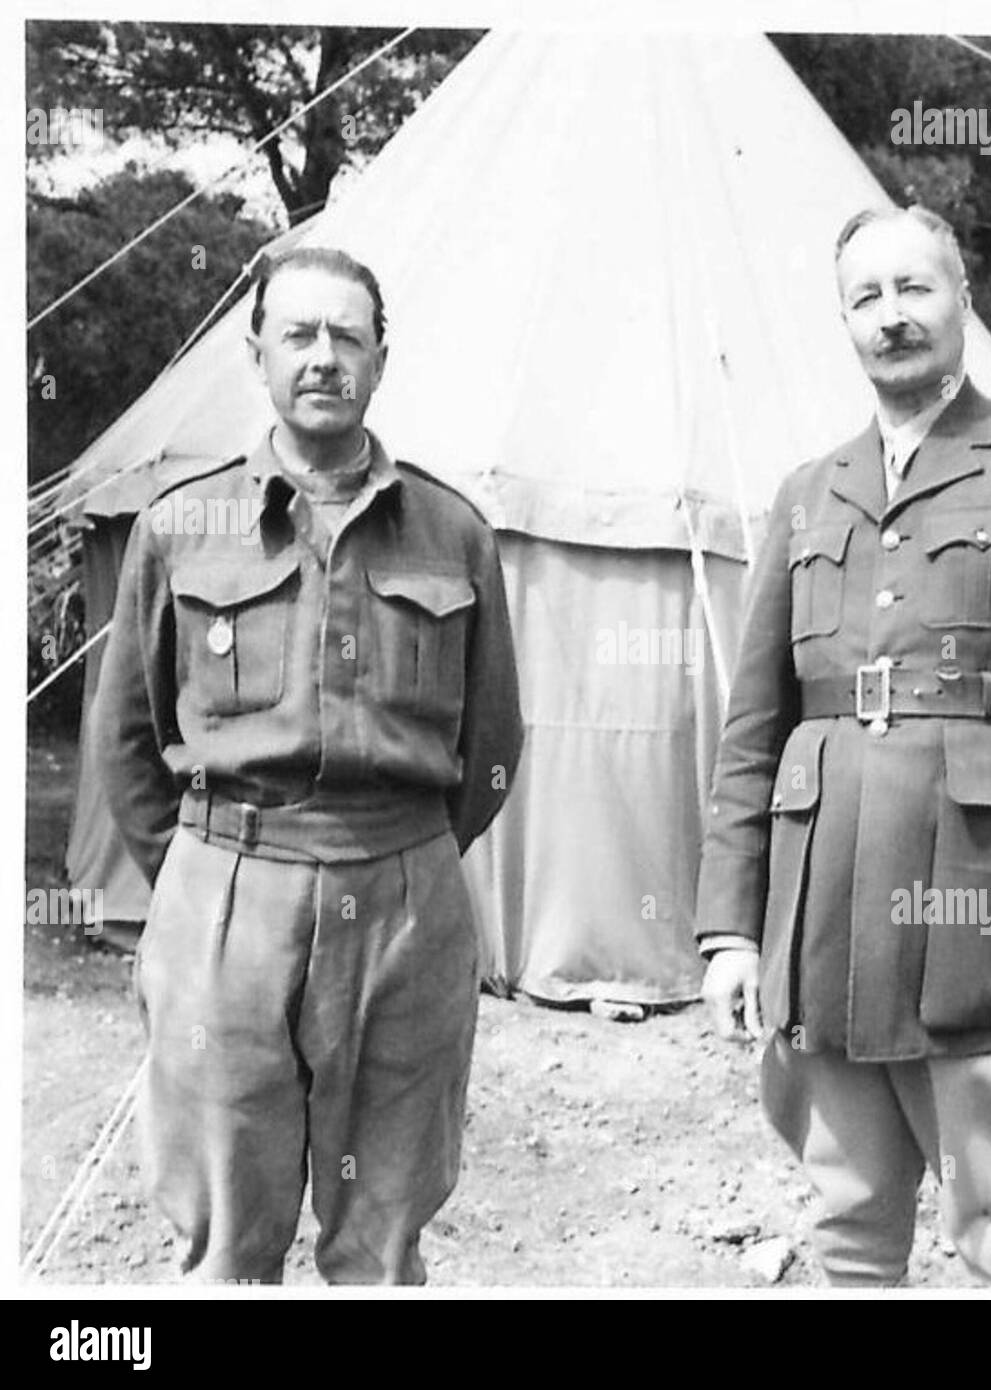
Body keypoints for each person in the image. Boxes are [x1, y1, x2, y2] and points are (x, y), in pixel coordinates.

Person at [695, 206, 991, 1287]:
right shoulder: (808, 494)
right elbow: (753, 731)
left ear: (964, 302)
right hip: (825, 929)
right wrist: (729, 926)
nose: (892, 317)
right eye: (866, 297)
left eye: (916, 289)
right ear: (844, 322)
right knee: (847, 1227)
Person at [93, 246, 523, 1284]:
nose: (323, 357)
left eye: (346, 336)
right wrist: (208, 879)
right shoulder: (178, 525)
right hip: (226, 898)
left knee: (380, 1233)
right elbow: (126, 738)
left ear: (381, 357)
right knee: (226, 1230)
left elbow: (494, 745)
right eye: (299, 334)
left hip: (404, 904)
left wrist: (403, 858)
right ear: (257, 354)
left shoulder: (450, 529)